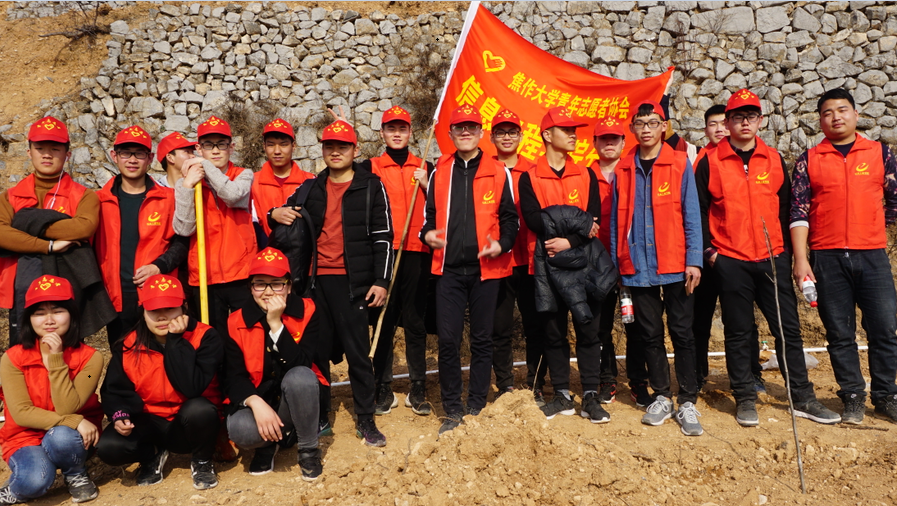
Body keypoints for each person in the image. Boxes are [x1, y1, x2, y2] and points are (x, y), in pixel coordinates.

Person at [695, 89, 841, 427]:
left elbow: (787, 207)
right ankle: (745, 397)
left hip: (772, 258)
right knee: (738, 332)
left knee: (787, 330)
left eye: (751, 116)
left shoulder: (773, 159)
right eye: (737, 117)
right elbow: (698, 210)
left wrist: (786, 253)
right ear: (728, 122)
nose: (744, 122)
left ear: (760, 120)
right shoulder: (710, 161)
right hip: (731, 259)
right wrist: (711, 254)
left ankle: (802, 396)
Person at [270, 120, 393, 446]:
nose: (335, 152)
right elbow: (283, 213)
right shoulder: (311, 187)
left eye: (342, 146)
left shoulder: (371, 186)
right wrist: (273, 213)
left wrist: (382, 281)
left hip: (354, 284)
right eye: (329, 147)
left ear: (355, 149)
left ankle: (365, 419)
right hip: (315, 284)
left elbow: (384, 236)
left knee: (358, 354)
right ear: (322, 150)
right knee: (317, 353)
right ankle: (320, 416)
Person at [791, 87, 897, 424]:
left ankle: (886, 395)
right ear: (820, 120)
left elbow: (894, 200)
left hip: (873, 256)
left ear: (855, 114)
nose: (836, 117)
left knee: (885, 329)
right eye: (827, 112)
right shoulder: (809, 160)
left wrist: (873, 226)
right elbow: (799, 211)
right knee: (839, 333)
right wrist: (801, 259)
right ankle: (852, 395)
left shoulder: (880, 153)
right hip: (827, 256)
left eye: (842, 110)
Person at [420, 105, 517, 435]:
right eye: (459, 127)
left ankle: (476, 405)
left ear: (480, 133)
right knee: (448, 341)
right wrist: (427, 236)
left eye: (471, 127)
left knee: (482, 340)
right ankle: (452, 409)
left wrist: (501, 245)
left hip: (485, 271)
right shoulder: (440, 171)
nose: (465, 132)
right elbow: (428, 219)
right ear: (450, 133)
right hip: (447, 271)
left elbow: (510, 220)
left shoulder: (498, 170)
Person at [610, 100, 704, 436]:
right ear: (632, 129)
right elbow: (615, 222)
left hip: (676, 262)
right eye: (640, 123)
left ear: (664, 126)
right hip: (638, 266)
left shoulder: (679, 163)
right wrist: (619, 264)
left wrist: (694, 260)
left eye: (653, 123)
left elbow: (691, 214)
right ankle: (662, 395)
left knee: (682, 332)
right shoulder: (624, 168)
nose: (646, 129)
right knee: (649, 334)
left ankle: (688, 399)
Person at [518, 107, 606, 423]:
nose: (573, 135)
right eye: (566, 130)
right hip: (548, 269)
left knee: (588, 331)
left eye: (574, 130)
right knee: (553, 334)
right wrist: (575, 222)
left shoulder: (586, 174)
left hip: (583, 265)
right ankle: (562, 395)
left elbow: (593, 222)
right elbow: (533, 221)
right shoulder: (529, 177)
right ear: (546, 135)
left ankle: (591, 395)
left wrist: (569, 240)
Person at [96, 273, 224, 490]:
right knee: (109, 447)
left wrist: (175, 340)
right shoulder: (128, 343)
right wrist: (119, 415)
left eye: (170, 308)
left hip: (189, 423)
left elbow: (191, 387)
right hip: (149, 420)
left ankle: (202, 460)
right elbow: (113, 390)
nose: (162, 317)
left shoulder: (206, 337)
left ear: (184, 307)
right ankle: (151, 456)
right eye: (154, 310)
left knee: (200, 409)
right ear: (143, 311)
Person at [357, 106, 434, 416]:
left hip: (417, 251)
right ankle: (383, 386)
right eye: (391, 128)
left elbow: (444, 205)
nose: (397, 133)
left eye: (402, 128)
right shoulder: (371, 167)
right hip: (384, 254)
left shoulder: (426, 165)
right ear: (382, 133)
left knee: (415, 321)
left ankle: (418, 386)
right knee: (383, 320)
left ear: (411, 132)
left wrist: (427, 184)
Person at [224, 247, 326, 480]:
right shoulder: (235, 321)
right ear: (251, 288)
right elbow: (233, 376)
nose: (268, 292)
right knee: (240, 429)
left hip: (296, 399)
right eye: (260, 284)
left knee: (301, 376)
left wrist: (276, 323)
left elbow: (302, 363)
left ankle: (308, 449)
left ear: (289, 286)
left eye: (277, 284)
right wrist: (255, 402)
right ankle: (268, 446)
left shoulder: (308, 310)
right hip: (259, 402)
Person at [0, 276, 103, 504]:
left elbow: (68, 407)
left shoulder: (91, 360)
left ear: (72, 314)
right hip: (24, 436)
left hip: (71, 438)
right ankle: (15, 488)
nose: (49, 320)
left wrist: (56, 359)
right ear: (29, 319)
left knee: (63, 437)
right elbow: (21, 413)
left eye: (57, 311)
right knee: (34, 481)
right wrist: (75, 420)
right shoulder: (12, 359)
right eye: (39, 313)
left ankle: (75, 474)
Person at [0, 117, 99, 344]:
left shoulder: (84, 196)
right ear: (29, 152)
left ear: (67, 154)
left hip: (68, 289)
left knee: (68, 352)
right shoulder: (10, 197)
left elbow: (83, 227)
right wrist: (49, 245)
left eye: (55, 149)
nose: (47, 155)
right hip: (21, 287)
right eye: (40, 148)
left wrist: (22, 226)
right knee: (23, 352)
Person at [95, 126, 187, 345]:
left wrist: (159, 266)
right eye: (126, 153)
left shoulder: (170, 199)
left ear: (150, 158)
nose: (132, 160)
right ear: (114, 156)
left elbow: (183, 242)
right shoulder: (97, 200)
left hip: (159, 296)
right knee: (122, 356)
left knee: (163, 355)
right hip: (115, 296)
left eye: (139, 153)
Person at [174, 116, 257, 334]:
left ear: (232, 147)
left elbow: (232, 195)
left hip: (241, 272)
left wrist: (205, 165)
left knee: (245, 333)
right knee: (212, 336)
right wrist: (187, 186)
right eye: (209, 145)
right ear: (198, 148)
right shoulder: (186, 183)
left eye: (221, 144)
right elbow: (184, 229)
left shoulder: (243, 175)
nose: (216, 150)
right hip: (204, 274)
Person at [487, 109, 543, 403]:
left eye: (512, 132)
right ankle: (505, 384)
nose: (506, 137)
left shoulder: (534, 170)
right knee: (500, 327)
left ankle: (536, 383)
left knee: (536, 325)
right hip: (498, 262)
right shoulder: (485, 169)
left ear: (521, 136)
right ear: (492, 137)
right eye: (501, 132)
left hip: (531, 260)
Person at [587, 117, 627, 405]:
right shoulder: (584, 175)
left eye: (614, 138)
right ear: (594, 143)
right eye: (604, 138)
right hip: (595, 266)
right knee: (599, 327)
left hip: (630, 263)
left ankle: (639, 381)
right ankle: (607, 379)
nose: (609, 143)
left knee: (637, 324)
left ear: (624, 142)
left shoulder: (634, 172)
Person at [251, 118, 314, 237]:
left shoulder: (310, 181)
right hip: (265, 247)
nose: (277, 151)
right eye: (271, 145)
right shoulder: (252, 183)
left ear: (293, 146)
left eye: (283, 144)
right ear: (264, 147)